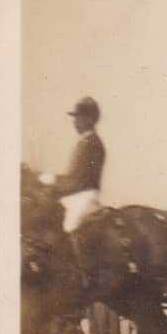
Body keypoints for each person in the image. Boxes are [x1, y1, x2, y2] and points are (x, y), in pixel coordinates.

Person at [39, 96, 106, 233]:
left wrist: (52, 180)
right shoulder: (85, 142)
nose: (75, 121)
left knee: (68, 228)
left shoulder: (91, 143)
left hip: (83, 197)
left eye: (79, 117)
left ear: (90, 119)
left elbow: (77, 181)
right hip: (76, 194)